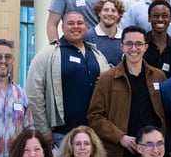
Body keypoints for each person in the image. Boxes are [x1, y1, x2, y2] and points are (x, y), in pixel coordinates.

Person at [87, 25, 166, 157]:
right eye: (129, 44)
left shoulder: (159, 76)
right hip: (119, 152)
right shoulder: (107, 78)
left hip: (152, 151)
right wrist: (120, 137)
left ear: (145, 47)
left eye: (138, 44)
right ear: (122, 47)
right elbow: (94, 117)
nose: (133, 48)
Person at [26, 11, 109, 148]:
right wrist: (43, 131)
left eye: (80, 23)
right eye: (70, 23)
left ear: (86, 26)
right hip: (62, 136)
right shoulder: (48, 54)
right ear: (62, 27)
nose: (75, 26)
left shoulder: (96, 54)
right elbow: (34, 94)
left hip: (94, 136)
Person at [144, 0, 171, 78]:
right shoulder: (140, 45)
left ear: (170, 19)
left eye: (164, 16)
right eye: (156, 16)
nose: (160, 19)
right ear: (149, 18)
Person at [85, 0, 125, 66]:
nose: (109, 14)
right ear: (99, 13)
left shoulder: (125, 37)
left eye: (113, 10)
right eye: (106, 10)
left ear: (119, 14)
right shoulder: (88, 36)